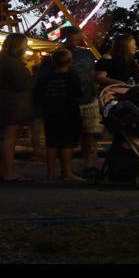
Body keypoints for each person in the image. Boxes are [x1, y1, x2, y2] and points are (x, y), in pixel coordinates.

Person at [32, 48, 83, 183]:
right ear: (70, 61)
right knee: (67, 143)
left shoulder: (45, 78)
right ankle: (67, 172)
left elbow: (37, 96)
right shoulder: (72, 78)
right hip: (68, 113)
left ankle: (50, 174)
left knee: (52, 143)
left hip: (50, 113)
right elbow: (78, 94)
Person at [0, 32, 36, 182]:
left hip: (8, 102)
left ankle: (3, 170)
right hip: (15, 103)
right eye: (24, 43)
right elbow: (21, 84)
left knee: (5, 137)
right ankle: (9, 172)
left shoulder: (4, 61)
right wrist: (34, 79)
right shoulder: (13, 63)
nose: (26, 46)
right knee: (10, 138)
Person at [61, 25, 102, 177]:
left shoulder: (56, 55)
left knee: (70, 137)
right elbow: (92, 75)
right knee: (90, 135)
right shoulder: (87, 54)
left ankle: (69, 169)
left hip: (70, 100)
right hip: (87, 98)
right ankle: (89, 166)